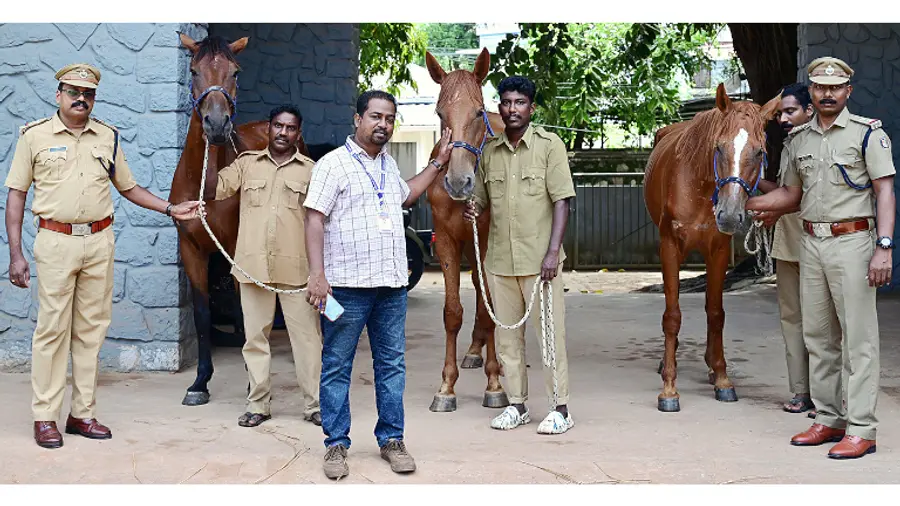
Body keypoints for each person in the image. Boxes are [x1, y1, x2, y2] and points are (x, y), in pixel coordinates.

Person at [4, 63, 201, 449]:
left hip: (99, 241)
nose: (81, 99)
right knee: (52, 330)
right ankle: (45, 416)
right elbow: (16, 195)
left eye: (88, 93)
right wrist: (16, 253)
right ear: (58, 95)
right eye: (73, 92)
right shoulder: (34, 137)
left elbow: (127, 187)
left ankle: (82, 414)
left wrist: (169, 208)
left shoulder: (107, 136)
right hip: (55, 240)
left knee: (92, 331)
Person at [746, 57, 895, 460]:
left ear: (848, 91)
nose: (828, 94)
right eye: (819, 87)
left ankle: (862, 428)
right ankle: (829, 419)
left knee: (858, 341)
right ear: (810, 92)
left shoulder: (867, 136)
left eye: (835, 87)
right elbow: (791, 197)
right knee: (818, 337)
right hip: (811, 243)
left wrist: (884, 246)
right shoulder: (798, 141)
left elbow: (884, 192)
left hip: (854, 242)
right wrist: (744, 201)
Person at [303, 90, 453, 479]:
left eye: (389, 118)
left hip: (390, 286)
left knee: (391, 365)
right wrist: (317, 275)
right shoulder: (332, 165)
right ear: (357, 120)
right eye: (375, 116)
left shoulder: (387, 165)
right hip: (346, 288)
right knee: (337, 365)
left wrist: (438, 161)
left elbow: (409, 192)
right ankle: (336, 444)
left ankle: (392, 439)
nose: (382, 124)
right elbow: (314, 219)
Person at [463, 76, 576, 435]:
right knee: (508, 339)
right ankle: (517, 405)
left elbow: (562, 201)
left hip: (540, 262)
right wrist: (471, 207)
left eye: (520, 102)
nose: (512, 109)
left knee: (549, 337)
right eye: (507, 102)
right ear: (500, 107)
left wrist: (552, 253)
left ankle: (560, 408)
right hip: (500, 262)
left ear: (532, 107)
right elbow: (480, 200)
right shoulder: (490, 152)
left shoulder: (549, 146)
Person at [201, 105, 322, 428]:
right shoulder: (246, 165)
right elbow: (212, 190)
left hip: (298, 271)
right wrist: (211, 146)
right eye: (278, 126)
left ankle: (314, 405)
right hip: (253, 268)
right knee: (255, 339)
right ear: (269, 128)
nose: (283, 133)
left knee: (308, 340)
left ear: (299, 133)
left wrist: (321, 273)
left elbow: (321, 222)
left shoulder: (311, 171)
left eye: (291, 128)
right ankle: (258, 404)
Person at [755, 83, 824, 418]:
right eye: (780, 113)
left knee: (822, 324)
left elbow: (800, 199)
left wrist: (759, 204)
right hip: (788, 245)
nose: (782, 118)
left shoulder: (823, 143)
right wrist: (746, 185)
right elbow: (786, 191)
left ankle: (829, 397)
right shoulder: (789, 144)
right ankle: (801, 391)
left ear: (810, 110)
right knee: (792, 320)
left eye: (790, 111)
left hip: (818, 244)